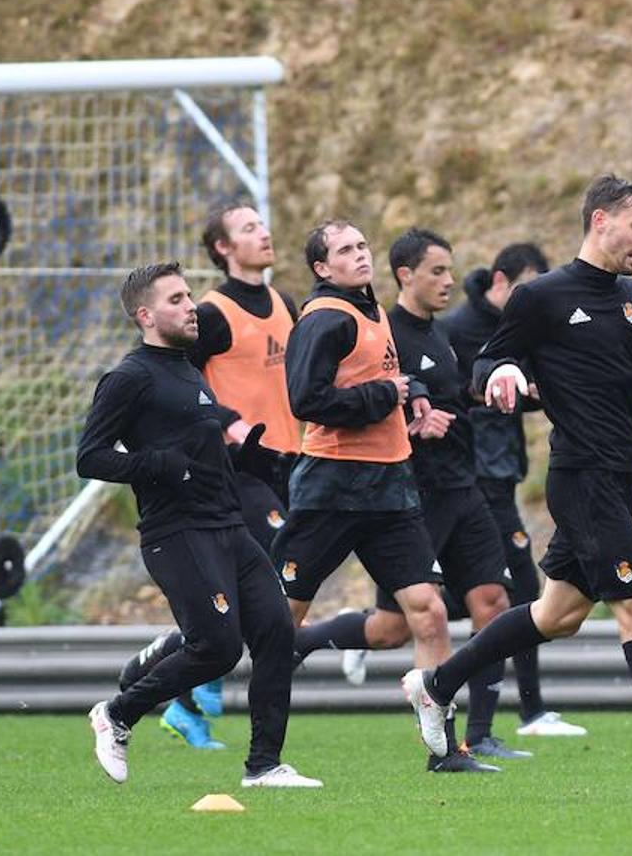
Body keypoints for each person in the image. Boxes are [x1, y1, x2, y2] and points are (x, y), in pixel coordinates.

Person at [403, 174, 632, 792]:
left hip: (621, 475)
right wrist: (501, 374)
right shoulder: (541, 296)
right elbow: (488, 360)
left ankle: (436, 685)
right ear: (601, 221)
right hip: (582, 477)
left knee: (558, 615)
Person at [79, 262, 319, 788]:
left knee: (278, 632)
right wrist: (160, 465)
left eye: (189, 296)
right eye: (176, 300)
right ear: (145, 316)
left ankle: (264, 766)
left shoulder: (189, 370)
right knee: (218, 648)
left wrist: (245, 462)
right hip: (177, 533)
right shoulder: (128, 377)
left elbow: (197, 456)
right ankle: (117, 714)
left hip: (227, 525)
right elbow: (90, 457)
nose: (192, 307)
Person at [268, 220, 477, 773]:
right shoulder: (324, 318)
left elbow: (391, 372)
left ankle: (444, 752)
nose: (360, 255)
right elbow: (306, 400)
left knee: (429, 612)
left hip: (389, 488)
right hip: (331, 489)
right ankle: (256, 753)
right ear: (322, 267)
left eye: (362, 245)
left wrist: (416, 396)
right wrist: (386, 394)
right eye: (345, 250)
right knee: (278, 621)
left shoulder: (372, 309)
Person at [117, 200, 301, 750]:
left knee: (262, 602)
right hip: (231, 473)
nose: (264, 233)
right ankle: (186, 681)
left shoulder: (284, 303)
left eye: (263, 223)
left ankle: (182, 682)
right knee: (276, 590)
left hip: (283, 463)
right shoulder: (213, 314)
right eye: (248, 227)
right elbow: (171, 383)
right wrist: (226, 424)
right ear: (223, 248)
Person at [440, 242, 587, 738]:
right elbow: (458, 395)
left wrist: (538, 390)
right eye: (524, 287)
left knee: (489, 594)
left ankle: (514, 715)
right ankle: (527, 711)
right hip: (469, 479)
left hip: (500, 475)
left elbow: (516, 393)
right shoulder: (458, 329)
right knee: (520, 587)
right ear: (500, 281)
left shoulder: (519, 324)